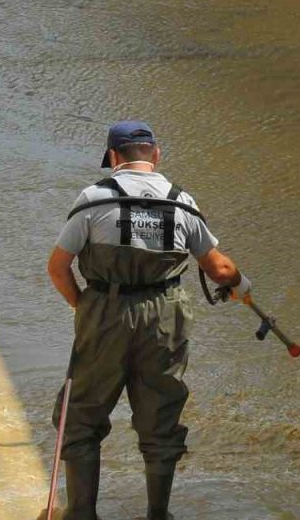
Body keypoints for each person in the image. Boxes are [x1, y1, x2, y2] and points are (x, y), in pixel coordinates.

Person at [46, 120, 251, 520]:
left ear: (113, 158)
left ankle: (82, 514)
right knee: (160, 414)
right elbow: (220, 271)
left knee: (82, 415)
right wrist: (243, 287)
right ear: (155, 156)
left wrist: (82, 308)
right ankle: (159, 515)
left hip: (104, 311)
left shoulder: (92, 200)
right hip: (164, 315)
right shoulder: (182, 203)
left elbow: (57, 268)